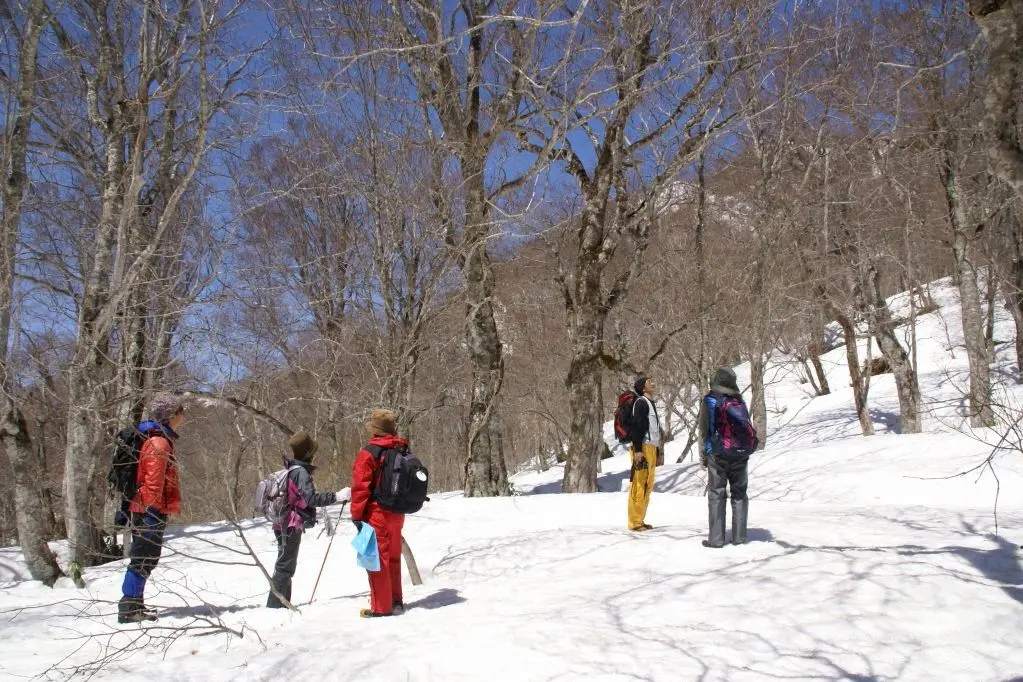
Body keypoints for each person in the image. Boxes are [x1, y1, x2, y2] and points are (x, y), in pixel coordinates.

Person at [118, 394, 186, 623]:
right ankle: (129, 606)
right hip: (149, 510)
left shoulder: (156, 438)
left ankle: (134, 604)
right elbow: (154, 482)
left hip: (146, 508)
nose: (183, 416)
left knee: (146, 556)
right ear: (170, 416)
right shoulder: (159, 442)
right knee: (144, 556)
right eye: (180, 412)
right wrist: (153, 511)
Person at [266, 431, 350, 608]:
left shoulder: (290, 469)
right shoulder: (300, 473)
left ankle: (281, 604)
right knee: (285, 567)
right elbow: (311, 499)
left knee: (284, 564)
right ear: (308, 453)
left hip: (281, 522)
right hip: (289, 524)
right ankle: (274, 607)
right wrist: (337, 496)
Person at [351, 408, 407, 617]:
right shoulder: (401, 449)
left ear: (375, 431)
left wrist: (357, 515)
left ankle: (381, 607)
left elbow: (360, 487)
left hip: (377, 513)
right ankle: (396, 600)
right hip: (397, 512)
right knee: (393, 556)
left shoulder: (369, 453)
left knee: (377, 560)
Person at [697, 368, 750, 548]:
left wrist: (703, 456)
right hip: (740, 453)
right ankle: (739, 538)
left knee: (717, 493)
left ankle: (717, 539)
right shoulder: (739, 400)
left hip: (718, 453)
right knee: (739, 494)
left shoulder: (710, 400)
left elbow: (704, 430)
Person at [628, 376, 663, 532]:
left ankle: (640, 519)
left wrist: (658, 453)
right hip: (641, 447)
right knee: (639, 484)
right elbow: (636, 428)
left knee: (648, 484)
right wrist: (638, 450)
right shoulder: (641, 403)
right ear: (643, 388)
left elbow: (654, 430)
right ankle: (634, 522)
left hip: (651, 448)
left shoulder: (650, 403)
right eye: (649, 382)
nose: (653, 382)